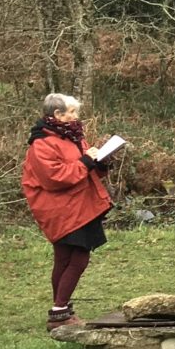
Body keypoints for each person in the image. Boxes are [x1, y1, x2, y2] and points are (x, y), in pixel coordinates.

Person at [21, 93, 117, 331]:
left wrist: (100, 162)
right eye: (72, 112)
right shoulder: (41, 144)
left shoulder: (73, 136)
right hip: (62, 209)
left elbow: (84, 168)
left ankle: (59, 309)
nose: (76, 116)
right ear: (57, 115)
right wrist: (85, 162)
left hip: (80, 205)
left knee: (64, 259)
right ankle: (59, 311)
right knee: (77, 258)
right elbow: (55, 177)